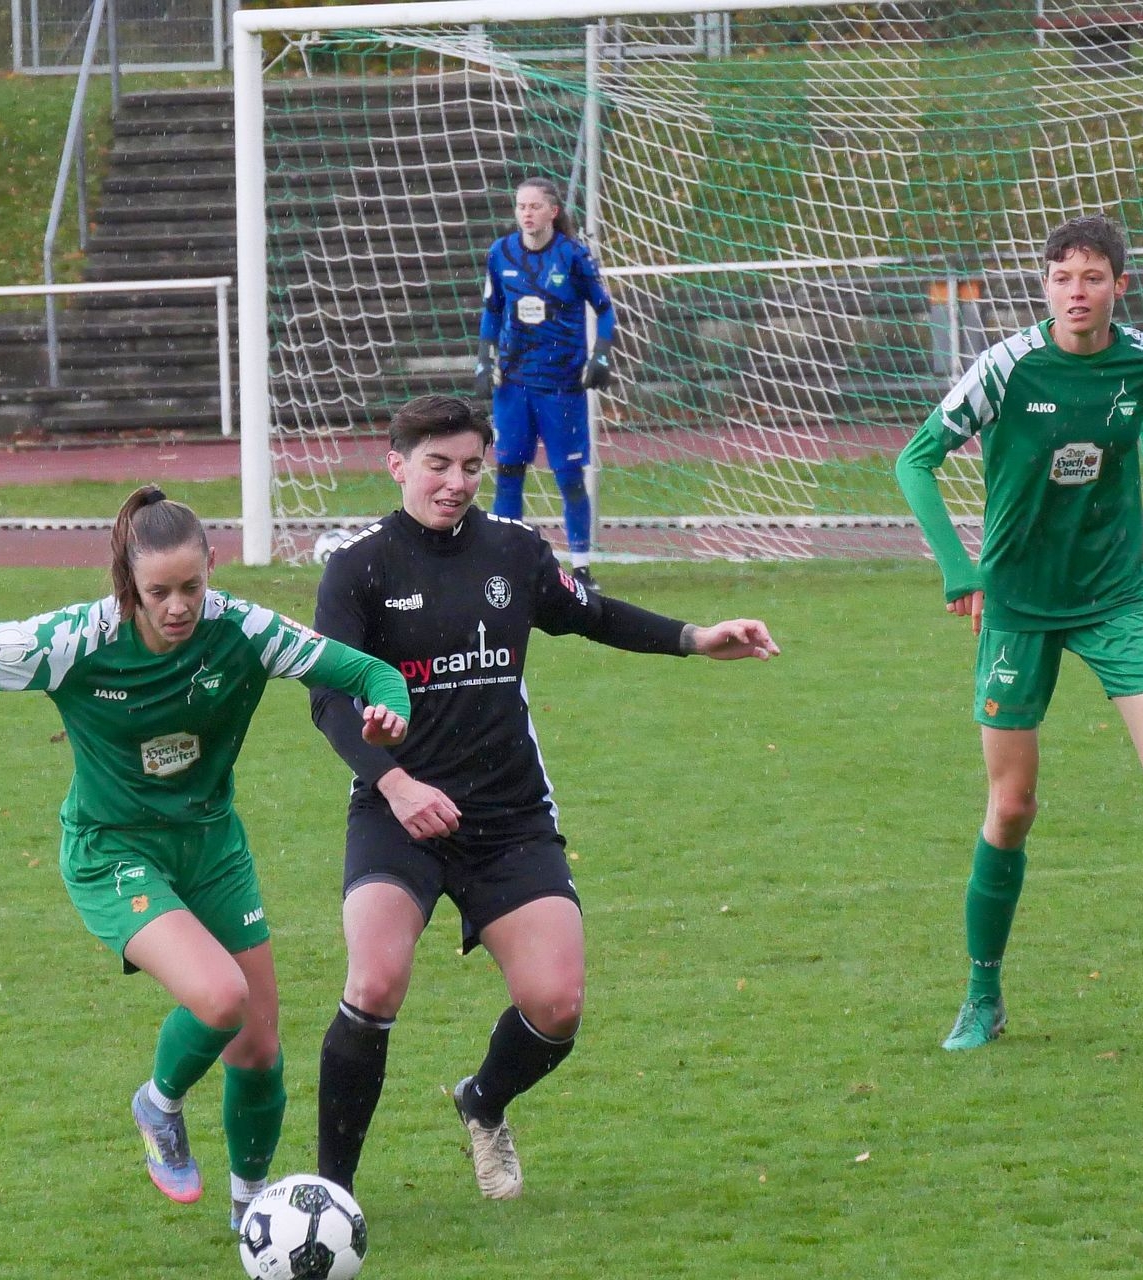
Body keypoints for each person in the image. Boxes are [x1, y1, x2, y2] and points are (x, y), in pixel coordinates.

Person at [0, 487, 412, 1233]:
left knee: (259, 1047)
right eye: (159, 592)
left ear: (212, 566)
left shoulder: (245, 629)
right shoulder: (70, 641)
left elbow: (371, 674)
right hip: (114, 850)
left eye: (192, 586)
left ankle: (251, 1215)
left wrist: (391, 713)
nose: (179, 606)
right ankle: (158, 1105)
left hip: (211, 846)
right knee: (220, 998)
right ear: (128, 583)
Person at [308, 394, 778, 1202]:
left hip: (508, 817)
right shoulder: (359, 567)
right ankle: (331, 1194)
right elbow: (327, 697)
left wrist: (695, 638)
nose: (456, 482)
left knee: (557, 1005)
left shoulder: (513, 550)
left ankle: (483, 1101)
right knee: (375, 983)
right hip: (397, 812)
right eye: (437, 465)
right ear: (396, 466)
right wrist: (396, 783)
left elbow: (592, 613)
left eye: (471, 466)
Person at [895, 213, 1143, 1052]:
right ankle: (983, 997)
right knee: (1012, 807)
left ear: (1118, 286)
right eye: (1063, 277)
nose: (1077, 292)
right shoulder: (1006, 366)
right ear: (1045, 286)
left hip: (1114, 599)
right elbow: (913, 459)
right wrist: (959, 569)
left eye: (1093, 277)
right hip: (1018, 606)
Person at [473, 176, 618, 588]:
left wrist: (600, 355)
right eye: (521, 206)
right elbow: (492, 310)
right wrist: (483, 360)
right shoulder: (500, 253)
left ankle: (582, 567)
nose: (526, 213)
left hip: (561, 387)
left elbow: (605, 309)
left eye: (534, 206)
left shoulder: (572, 255)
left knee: (569, 477)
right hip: (514, 384)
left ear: (552, 212)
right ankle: (507, 563)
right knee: (509, 471)